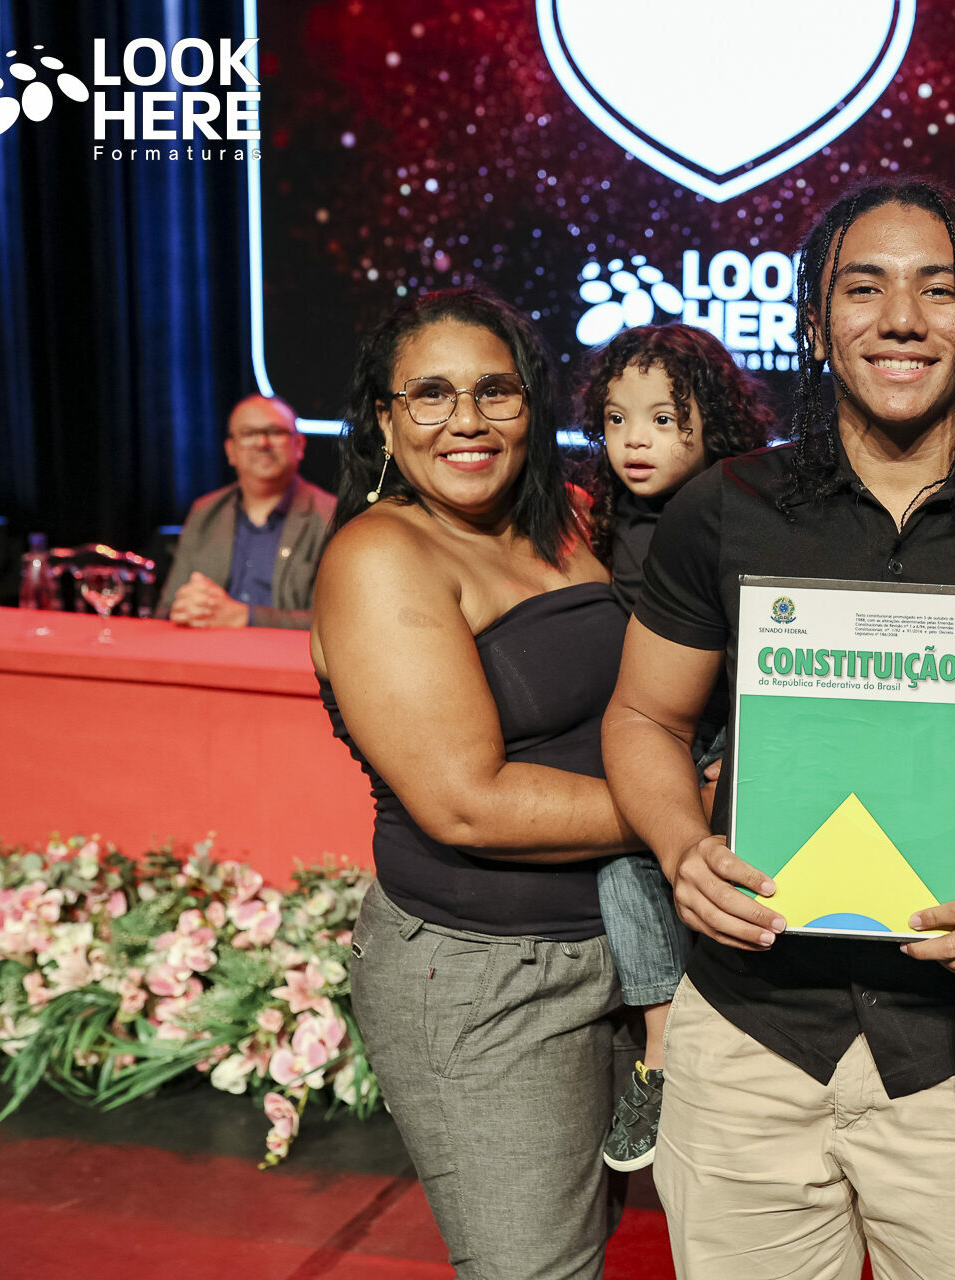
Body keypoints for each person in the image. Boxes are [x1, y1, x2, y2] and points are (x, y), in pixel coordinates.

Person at [601, 177, 955, 1278]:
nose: (902, 317)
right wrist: (681, 848)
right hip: (750, 1033)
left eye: (937, 289)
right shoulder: (725, 509)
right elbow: (643, 716)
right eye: (865, 287)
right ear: (815, 321)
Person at [312, 285, 644, 1280]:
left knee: (589, 1245)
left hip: (619, 944)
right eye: (431, 394)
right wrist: (695, 813)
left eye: (495, 391)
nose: (467, 420)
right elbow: (467, 802)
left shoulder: (567, 519)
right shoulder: (381, 554)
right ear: (383, 419)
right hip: (485, 977)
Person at [576, 323, 774, 1173]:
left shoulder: (743, 511)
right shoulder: (605, 518)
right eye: (617, 420)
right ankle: (662, 1054)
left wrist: (748, 748)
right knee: (624, 858)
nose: (635, 441)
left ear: (712, 423)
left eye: (663, 420)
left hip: (733, 727)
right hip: (652, 731)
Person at [156, 394, 335, 628]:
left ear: (299, 445)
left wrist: (246, 617)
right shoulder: (205, 512)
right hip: (206, 647)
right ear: (230, 451)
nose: (262, 443)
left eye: (275, 432)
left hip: (285, 651)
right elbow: (167, 609)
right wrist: (185, 608)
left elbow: (338, 622)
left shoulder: (331, 516)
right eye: (249, 434)